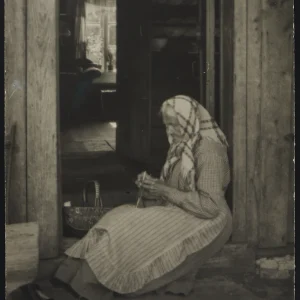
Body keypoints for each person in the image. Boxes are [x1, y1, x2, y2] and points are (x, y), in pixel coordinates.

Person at [53, 95, 232, 300]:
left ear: (188, 120)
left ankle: (87, 287)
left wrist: (163, 191)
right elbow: (177, 189)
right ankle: (69, 277)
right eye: (167, 125)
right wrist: (152, 187)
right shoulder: (183, 147)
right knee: (119, 217)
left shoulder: (209, 151)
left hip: (209, 221)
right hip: (185, 209)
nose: (170, 131)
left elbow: (210, 207)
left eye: (174, 125)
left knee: (131, 226)